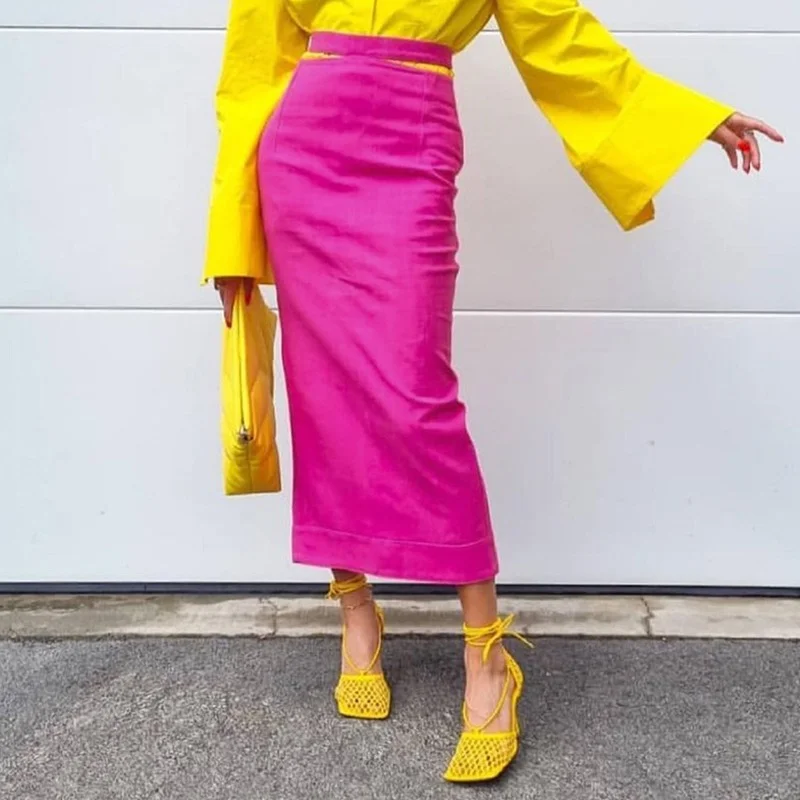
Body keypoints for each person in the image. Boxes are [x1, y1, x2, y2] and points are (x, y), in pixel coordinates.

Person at [203, 0, 783, 783]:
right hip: (300, 150)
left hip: (409, 141)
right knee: (321, 386)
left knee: (417, 396)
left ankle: (488, 655)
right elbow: (252, 66)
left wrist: (690, 119)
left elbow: (559, 35)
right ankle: (355, 609)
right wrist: (232, 238)